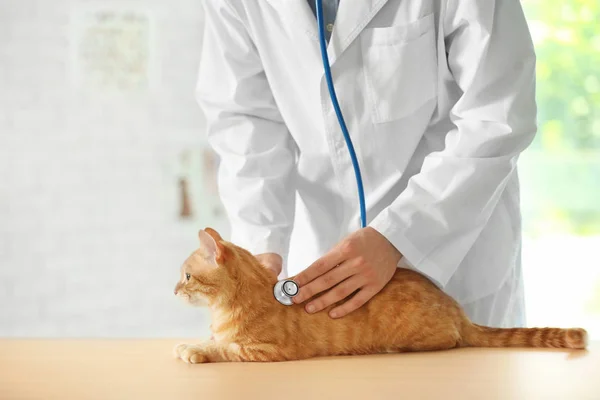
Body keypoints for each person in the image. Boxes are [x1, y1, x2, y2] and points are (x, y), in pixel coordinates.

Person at [197, 0, 537, 328]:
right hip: (320, 258)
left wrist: (398, 236)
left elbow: (496, 117)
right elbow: (246, 124)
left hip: (449, 257)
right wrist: (261, 250)